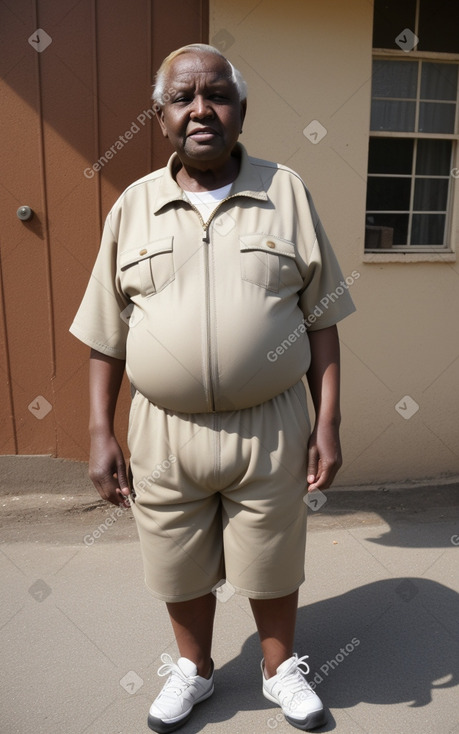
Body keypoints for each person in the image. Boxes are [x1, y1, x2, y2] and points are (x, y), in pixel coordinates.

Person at [70, 43, 355, 733]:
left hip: (272, 421)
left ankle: (278, 669)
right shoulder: (133, 207)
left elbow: (320, 320)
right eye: (182, 97)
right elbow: (106, 334)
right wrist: (101, 432)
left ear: (240, 109)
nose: (201, 108)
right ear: (161, 116)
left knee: (273, 554)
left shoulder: (285, 190)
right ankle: (194, 671)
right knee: (175, 558)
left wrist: (327, 423)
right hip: (164, 429)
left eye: (216, 94)